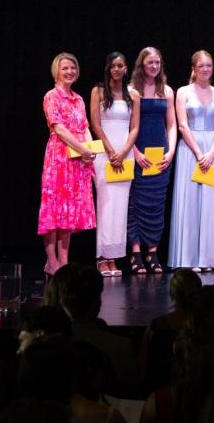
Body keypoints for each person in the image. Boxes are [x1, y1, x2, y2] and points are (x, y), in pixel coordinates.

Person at [169, 50, 214, 271]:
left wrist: (211, 152)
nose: (205, 69)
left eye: (209, 65)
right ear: (193, 68)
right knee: (190, 203)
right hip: (190, 150)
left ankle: (208, 258)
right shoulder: (183, 92)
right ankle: (189, 258)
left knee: (211, 205)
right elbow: (182, 125)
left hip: (213, 149)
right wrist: (199, 153)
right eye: (201, 66)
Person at [40, 52, 97, 276]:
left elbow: (85, 127)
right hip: (59, 158)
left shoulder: (79, 99)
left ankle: (64, 260)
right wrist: (83, 149)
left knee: (69, 210)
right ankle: (51, 261)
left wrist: (90, 150)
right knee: (54, 209)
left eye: (73, 68)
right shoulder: (51, 96)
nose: (69, 72)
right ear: (56, 71)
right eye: (65, 68)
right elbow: (59, 129)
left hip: (78, 159)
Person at [88, 51, 138, 278]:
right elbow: (95, 124)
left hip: (125, 154)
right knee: (106, 205)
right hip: (105, 155)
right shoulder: (98, 91)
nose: (117, 69)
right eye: (113, 66)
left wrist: (124, 152)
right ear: (108, 68)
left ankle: (114, 256)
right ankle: (102, 257)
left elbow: (135, 127)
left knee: (120, 207)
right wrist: (110, 151)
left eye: (121, 66)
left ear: (126, 69)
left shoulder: (133, 95)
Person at [128, 46, 177, 275]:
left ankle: (153, 252)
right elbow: (127, 125)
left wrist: (171, 151)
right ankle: (136, 252)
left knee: (157, 202)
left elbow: (172, 124)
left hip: (160, 153)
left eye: (157, 62)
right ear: (142, 64)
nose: (154, 66)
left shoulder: (166, 90)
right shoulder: (131, 90)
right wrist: (135, 152)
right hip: (138, 152)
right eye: (150, 62)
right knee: (136, 202)